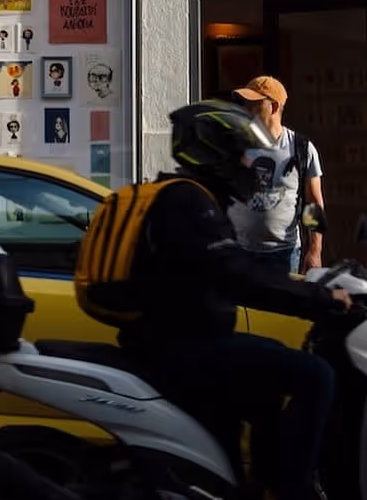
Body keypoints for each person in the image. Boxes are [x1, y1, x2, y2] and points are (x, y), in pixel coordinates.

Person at [114, 100, 349, 500]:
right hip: (185, 347)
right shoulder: (190, 204)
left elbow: (237, 269)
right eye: (241, 152)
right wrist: (321, 298)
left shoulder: (191, 196)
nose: (248, 162)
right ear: (213, 153)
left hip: (177, 340)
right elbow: (239, 277)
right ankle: (291, 488)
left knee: (266, 385)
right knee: (315, 375)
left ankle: (253, 483)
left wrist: (314, 258)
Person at [229, 75, 324, 275]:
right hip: (238, 253)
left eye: (254, 104)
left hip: (283, 255)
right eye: (245, 104)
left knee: (280, 307)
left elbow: (313, 204)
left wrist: (314, 251)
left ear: (273, 107)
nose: (246, 110)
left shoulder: (301, 148)